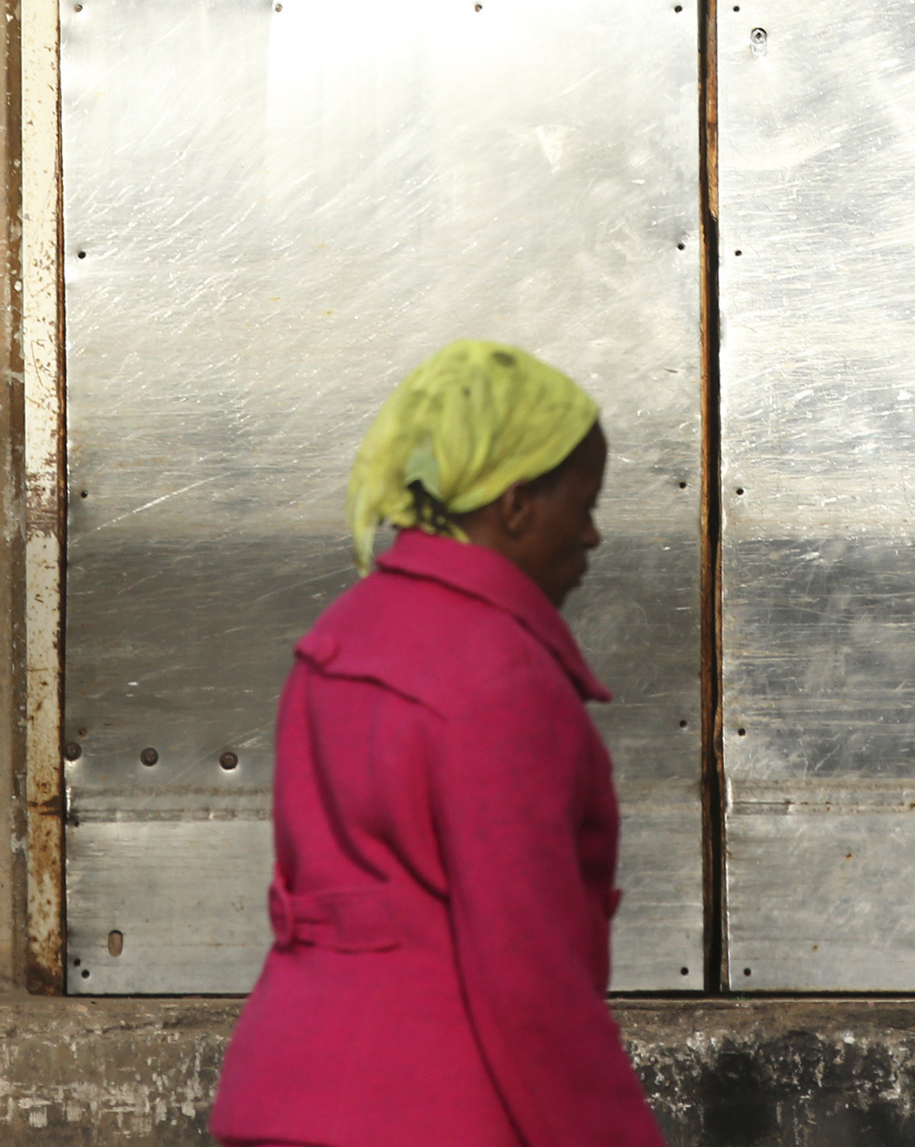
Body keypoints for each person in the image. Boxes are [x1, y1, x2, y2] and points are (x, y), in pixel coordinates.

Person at [209, 340, 665, 1147]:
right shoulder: (501, 675)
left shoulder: (342, 635)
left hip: (286, 1092)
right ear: (517, 503)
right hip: (433, 1107)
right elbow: (529, 970)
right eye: (584, 504)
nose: (591, 537)